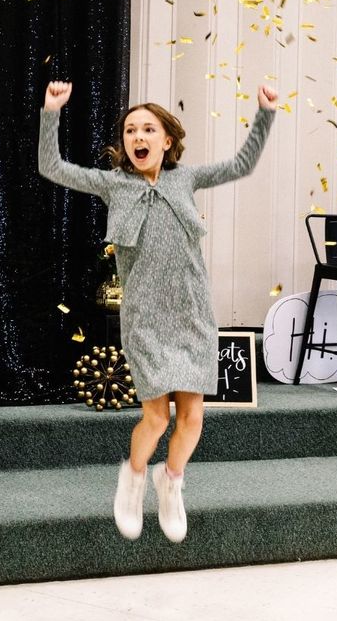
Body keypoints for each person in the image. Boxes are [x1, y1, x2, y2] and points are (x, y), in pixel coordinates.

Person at [39, 81, 277, 542]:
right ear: (125, 143)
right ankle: (132, 479)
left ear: (166, 140)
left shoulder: (185, 178)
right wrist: (52, 111)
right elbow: (51, 166)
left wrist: (265, 112)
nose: (138, 136)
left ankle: (171, 482)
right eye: (130, 130)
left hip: (192, 312)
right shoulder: (113, 183)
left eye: (148, 128)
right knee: (156, 417)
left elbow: (243, 163)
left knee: (192, 416)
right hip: (146, 317)